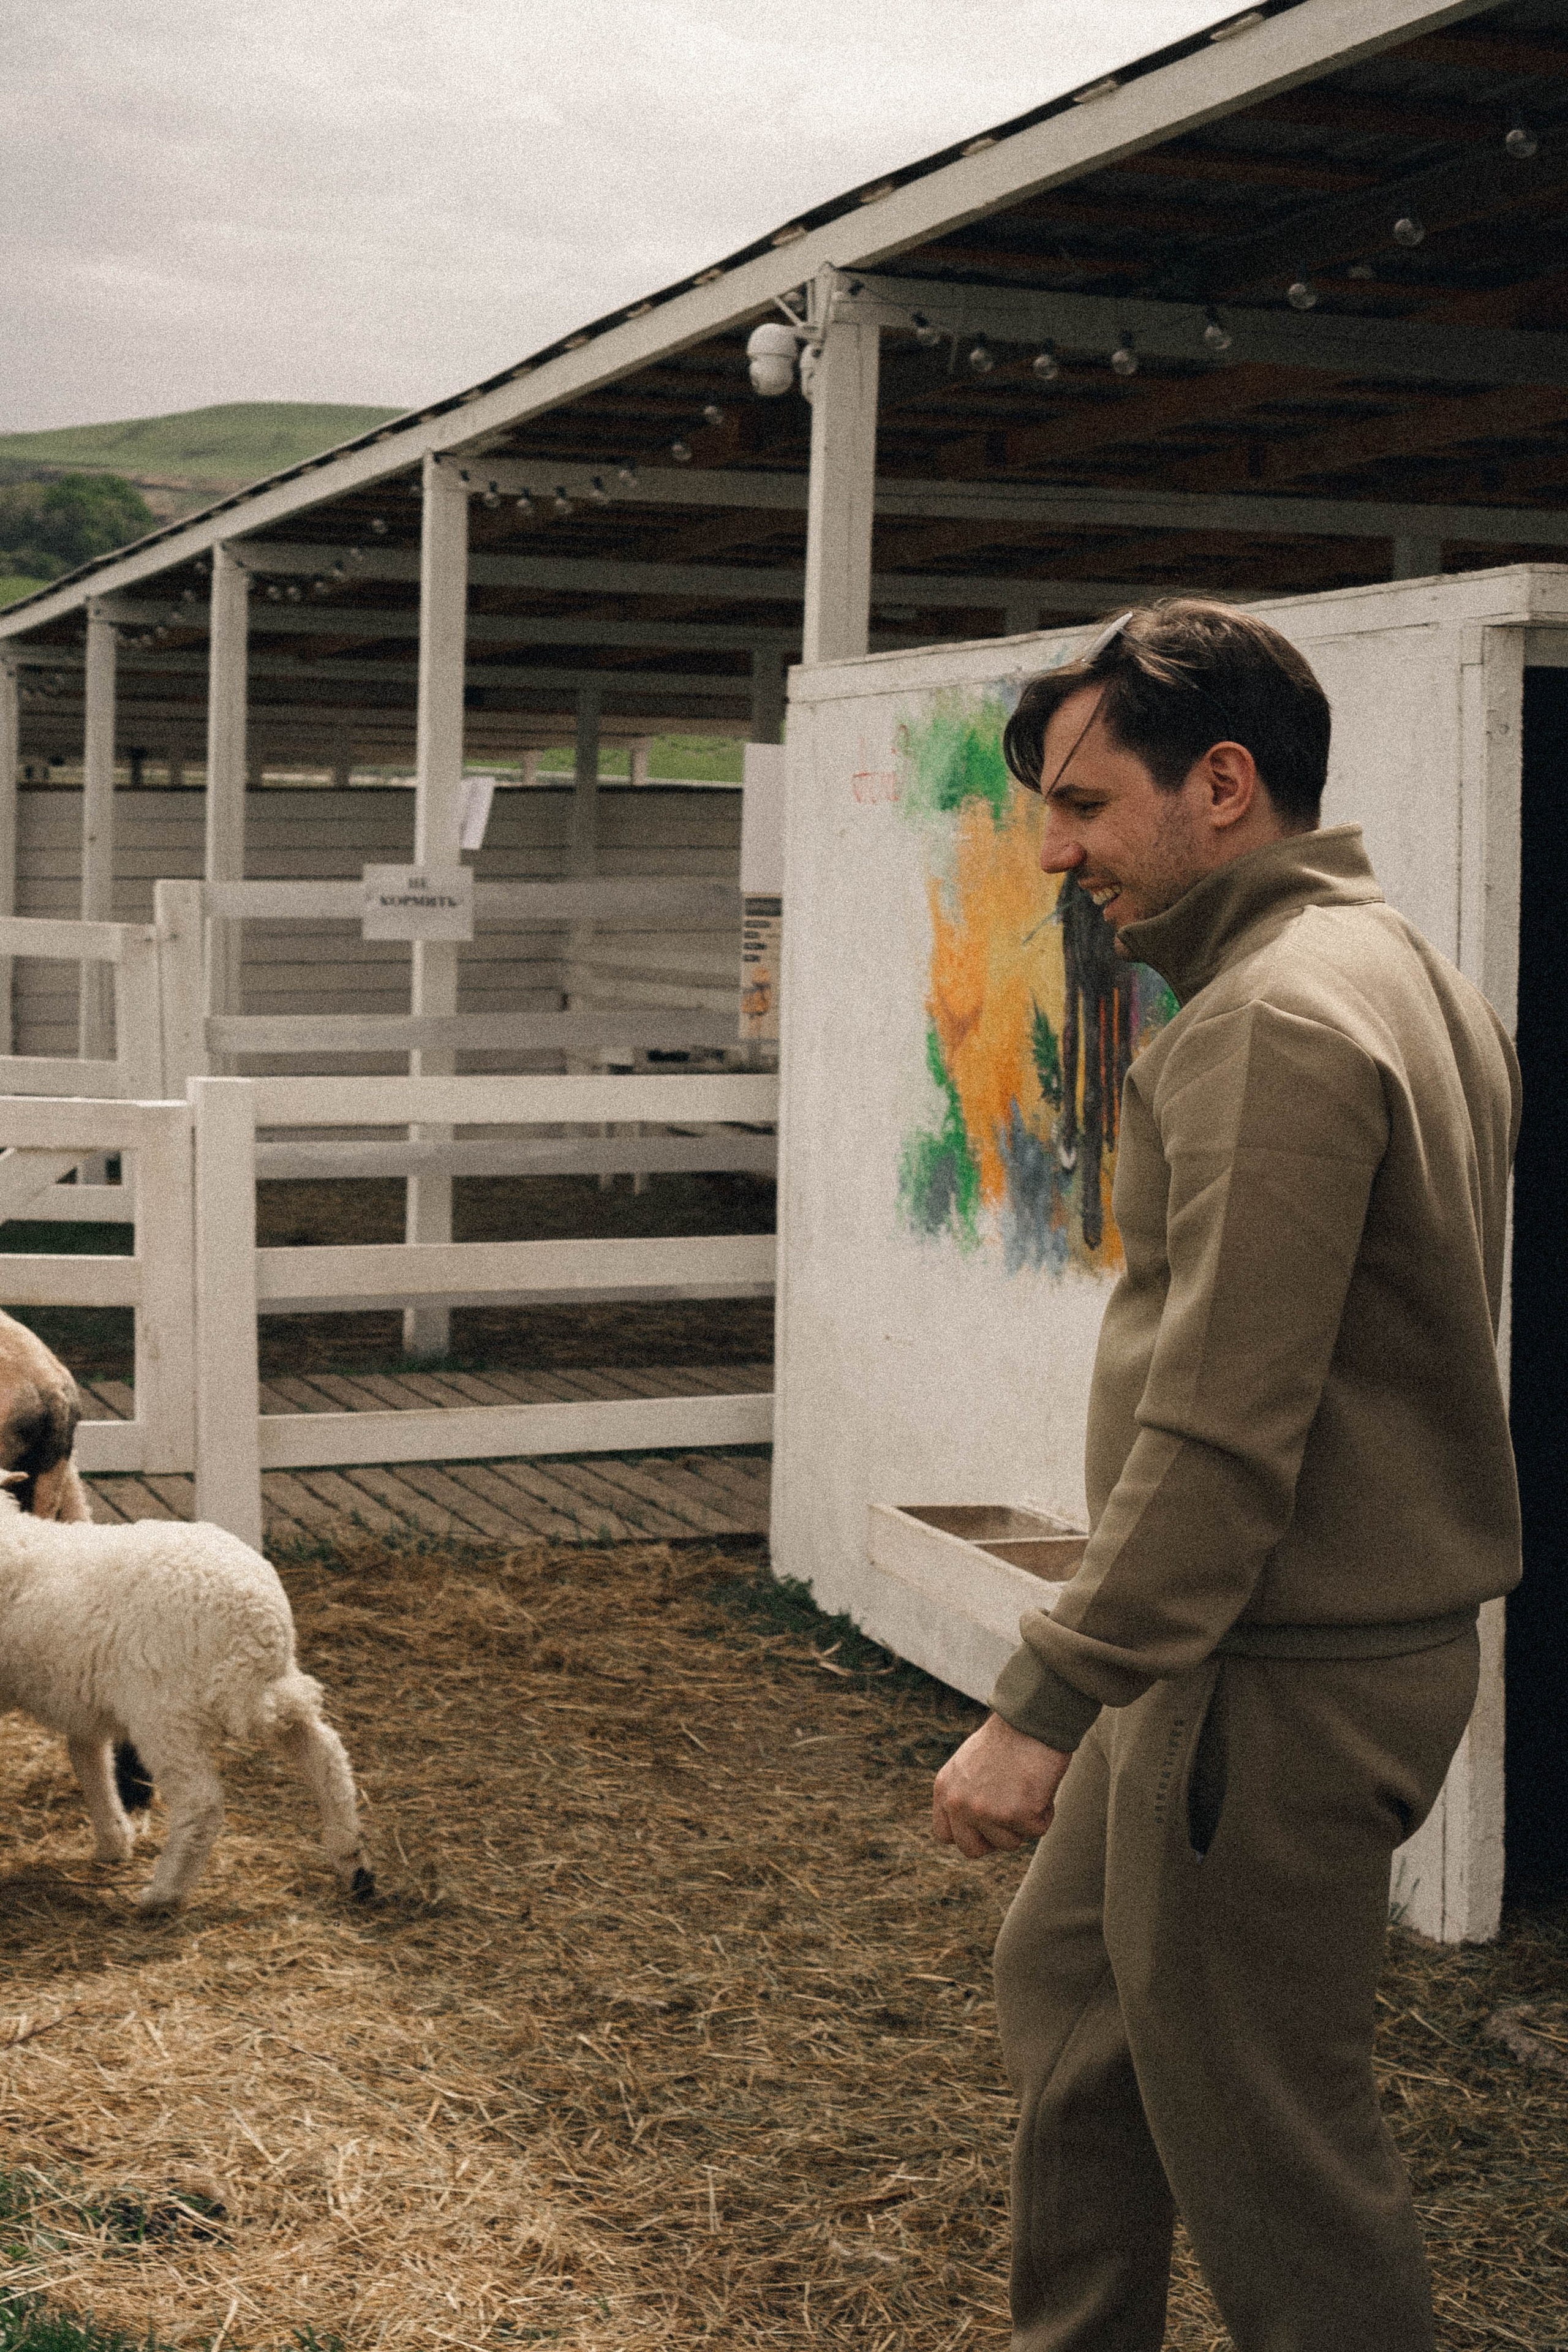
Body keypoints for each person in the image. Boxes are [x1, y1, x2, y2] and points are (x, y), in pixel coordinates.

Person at [931, 600, 1521, 2352]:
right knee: (1072, 1993)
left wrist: (1044, 1703)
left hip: (1269, 1674)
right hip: (1248, 1654)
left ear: (1225, 784)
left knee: (1274, 2147)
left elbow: (1224, 1428)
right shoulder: (1402, 965)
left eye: (1090, 805)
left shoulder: (1279, 1017)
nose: (1056, 852)